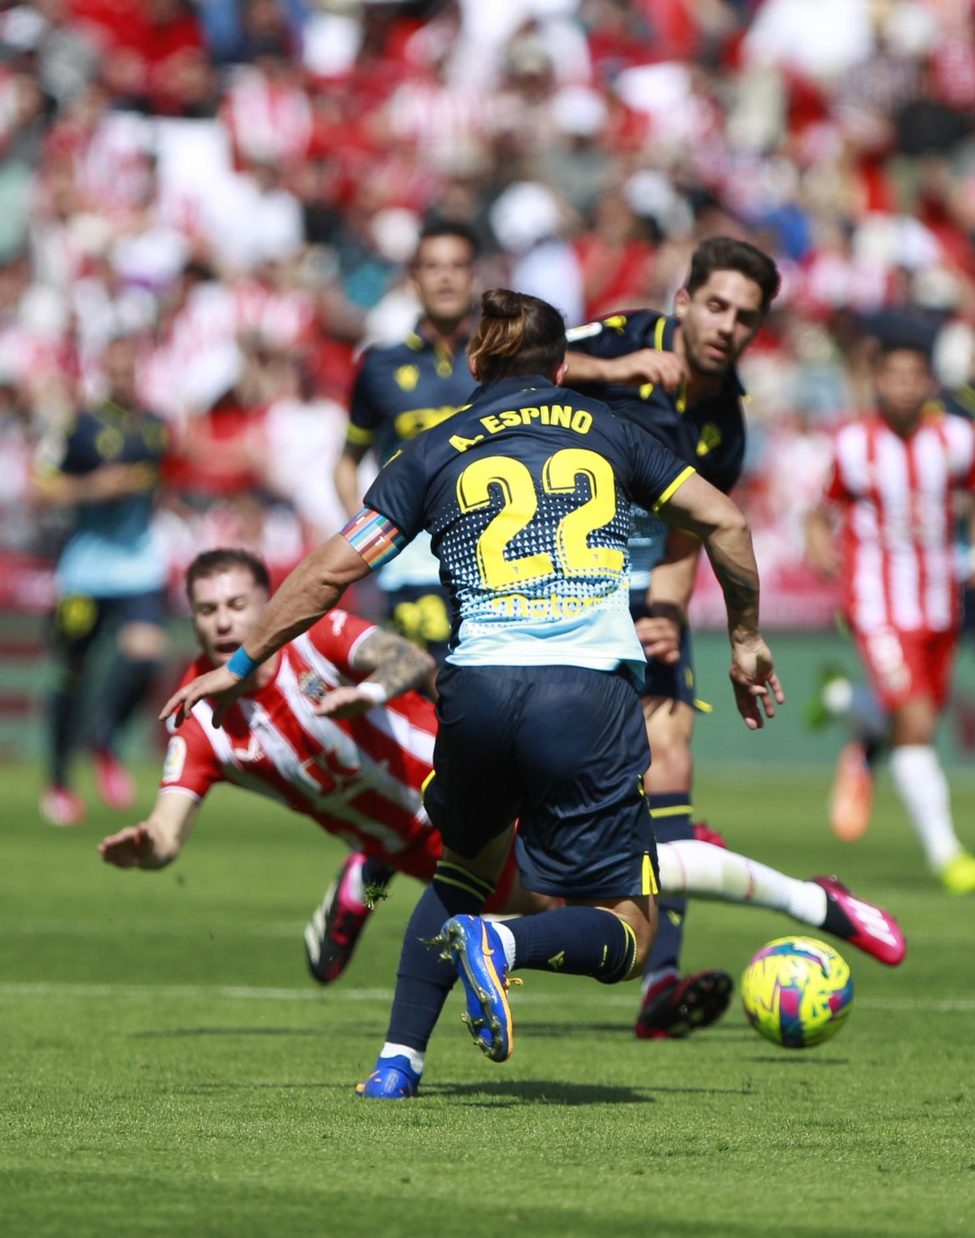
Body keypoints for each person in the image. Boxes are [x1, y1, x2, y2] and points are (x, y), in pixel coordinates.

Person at [161, 289, 787, 1100]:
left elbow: (331, 571)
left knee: (461, 867)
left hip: (477, 694)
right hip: (584, 697)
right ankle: (503, 946)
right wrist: (744, 640)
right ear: (563, 368)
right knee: (632, 929)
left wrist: (242, 663)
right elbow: (726, 523)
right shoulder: (616, 433)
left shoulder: (431, 449)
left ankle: (397, 1064)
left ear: (476, 364)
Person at [105, 547, 904, 989]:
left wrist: (378, 684)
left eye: (237, 604)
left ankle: (819, 904)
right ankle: (370, 871)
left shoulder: (318, 635)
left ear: (265, 602)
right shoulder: (201, 715)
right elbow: (170, 824)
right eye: (207, 610)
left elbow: (405, 657)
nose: (222, 622)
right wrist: (152, 847)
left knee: (626, 880)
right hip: (430, 848)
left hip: (484, 782)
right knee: (557, 911)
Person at [560, 235, 782, 1039]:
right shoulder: (617, 339)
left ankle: (660, 980)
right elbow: (505, 371)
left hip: (640, 596)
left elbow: (694, 529)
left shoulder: (725, 421)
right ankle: (380, 866)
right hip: (547, 584)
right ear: (682, 301)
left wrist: (669, 610)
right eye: (716, 305)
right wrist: (614, 374)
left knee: (672, 764)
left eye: (746, 318)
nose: (728, 326)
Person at [822, 324, 975, 869]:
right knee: (918, 714)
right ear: (971, 355)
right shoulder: (946, 414)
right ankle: (873, 750)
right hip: (928, 576)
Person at [325, 219, 480, 946]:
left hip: (493, 573)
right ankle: (464, 907)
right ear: (414, 279)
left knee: (478, 737)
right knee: (452, 718)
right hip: (417, 567)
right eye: (433, 266)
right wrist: (369, 536)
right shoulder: (381, 365)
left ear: (473, 275)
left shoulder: (498, 361)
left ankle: (380, 859)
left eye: (458, 265)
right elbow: (347, 458)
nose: (446, 277)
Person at [803, 341, 975, 896]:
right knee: (915, 725)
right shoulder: (853, 444)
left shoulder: (957, 440)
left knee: (919, 719)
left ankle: (854, 713)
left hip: (941, 602)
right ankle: (948, 855)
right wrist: (823, 553)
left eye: (914, 376)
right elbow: (819, 514)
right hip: (877, 603)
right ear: (877, 383)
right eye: (893, 376)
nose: (904, 386)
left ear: (929, 385)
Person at [32, 336, 170, 826]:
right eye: (116, 369)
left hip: (138, 564)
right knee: (72, 671)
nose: (124, 377)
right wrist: (93, 487)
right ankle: (58, 780)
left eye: (130, 368)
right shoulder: (78, 424)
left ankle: (105, 737)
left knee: (146, 654)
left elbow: (173, 477)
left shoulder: (156, 425)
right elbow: (39, 484)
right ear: (103, 372)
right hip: (86, 569)